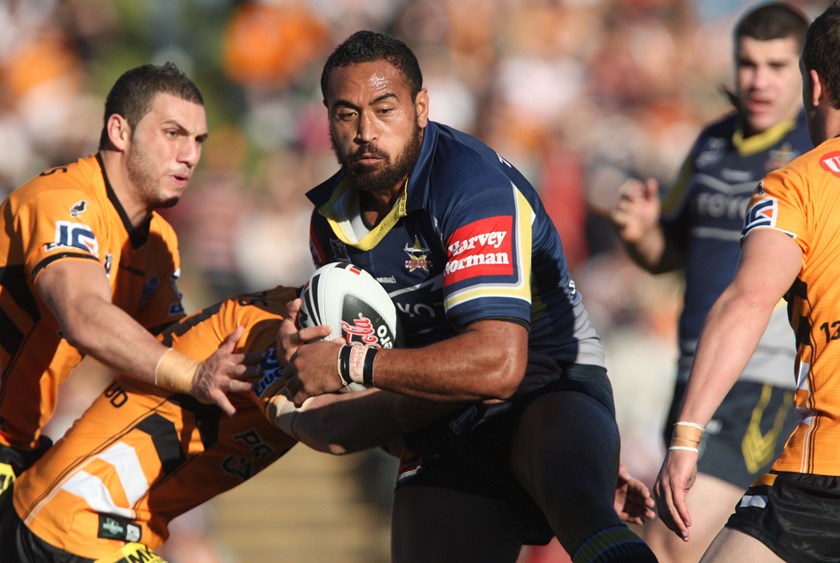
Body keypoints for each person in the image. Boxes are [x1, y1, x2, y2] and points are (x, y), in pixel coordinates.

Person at [278, 30, 658, 563]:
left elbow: (499, 364)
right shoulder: (329, 225)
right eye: (346, 114)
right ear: (326, 118)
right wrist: (301, 369)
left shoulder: (469, 184)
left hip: (543, 385)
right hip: (436, 412)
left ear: (421, 108)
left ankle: (572, 480)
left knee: (582, 510)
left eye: (384, 109)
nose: (366, 132)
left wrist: (346, 362)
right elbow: (375, 384)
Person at [0, 285, 655, 561]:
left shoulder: (306, 346)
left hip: (104, 527)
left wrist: (576, 462)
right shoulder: (266, 342)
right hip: (74, 526)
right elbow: (344, 424)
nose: (349, 376)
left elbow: (402, 422)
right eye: (345, 363)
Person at [609, 3, 810, 561]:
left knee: (677, 540)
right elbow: (665, 254)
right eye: (748, 63)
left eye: (776, 65)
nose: (759, 80)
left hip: (761, 379)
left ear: (807, 75)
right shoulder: (711, 144)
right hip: (695, 374)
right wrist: (640, 232)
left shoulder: (814, 154)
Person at [0, 62, 254, 495]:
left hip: (20, 444)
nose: (190, 155)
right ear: (120, 132)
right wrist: (194, 376)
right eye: (173, 133)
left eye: (198, 141)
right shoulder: (63, 199)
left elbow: (170, 349)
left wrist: (273, 356)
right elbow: (83, 315)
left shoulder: (159, 241)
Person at [654, 4, 840, 561]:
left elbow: (748, 300)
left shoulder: (797, 184)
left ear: (813, 84)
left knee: (669, 548)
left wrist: (686, 438)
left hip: (823, 466)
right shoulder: (712, 144)